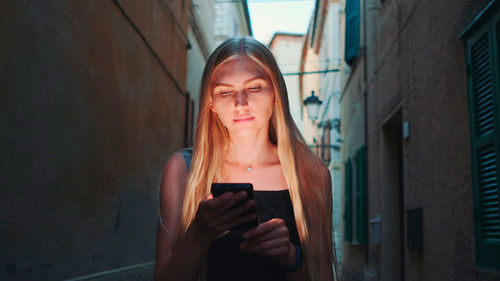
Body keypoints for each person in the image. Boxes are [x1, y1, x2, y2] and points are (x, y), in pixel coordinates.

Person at [154, 36, 337, 281]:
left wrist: (291, 257)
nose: (241, 104)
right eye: (226, 91)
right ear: (211, 101)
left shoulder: (310, 173)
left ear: (276, 94)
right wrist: (199, 234)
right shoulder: (183, 170)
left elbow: (322, 275)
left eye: (254, 87)